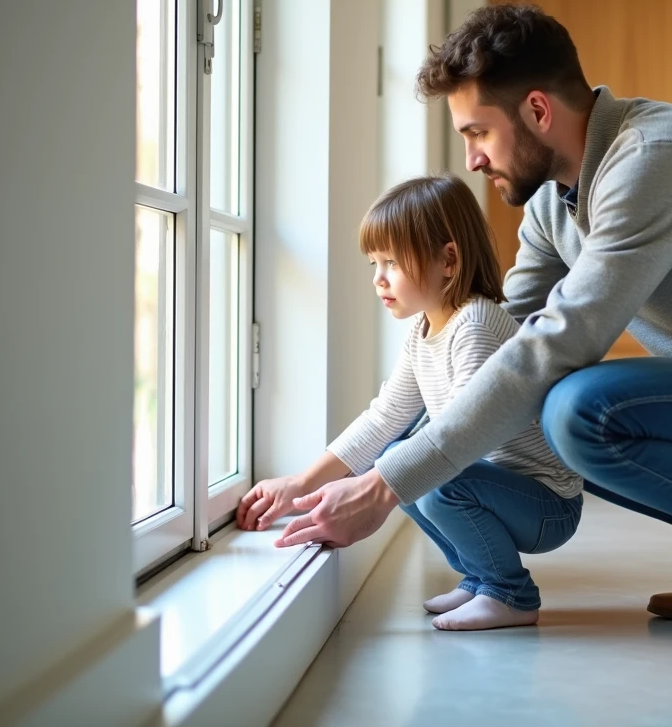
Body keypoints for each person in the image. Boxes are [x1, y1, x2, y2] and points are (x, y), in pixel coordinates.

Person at [275, 3, 672, 646]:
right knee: (544, 400)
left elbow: (559, 344)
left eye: (479, 133)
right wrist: (346, 467)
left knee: (579, 409)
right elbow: (506, 343)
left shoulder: (653, 160)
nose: (473, 160)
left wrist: (385, 484)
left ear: (538, 112)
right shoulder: (551, 203)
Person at [238, 174, 584, 631]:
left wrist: (382, 480)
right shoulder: (424, 329)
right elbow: (383, 418)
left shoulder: (475, 326)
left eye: (393, 262)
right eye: (373, 263)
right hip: (501, 490)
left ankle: (511, 594)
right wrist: (300, 484)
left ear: (448, 259)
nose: (379, 279)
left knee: (427, 476)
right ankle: (482, 577)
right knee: (394, 458)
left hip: (548, 505)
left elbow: (459, 441)